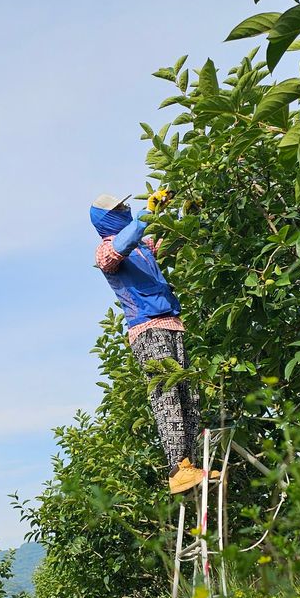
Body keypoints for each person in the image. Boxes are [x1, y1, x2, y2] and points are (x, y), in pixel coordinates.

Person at [90, 192, 212, 494]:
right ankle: (177, 466)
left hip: (173, 324)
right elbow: (122, 244)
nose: (126, 209)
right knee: (166, 394)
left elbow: (171, 242)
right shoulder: (106, 251)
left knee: (188, 397)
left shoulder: (143, 246)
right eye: (120, 208)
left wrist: (187, 214)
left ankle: (190, 465)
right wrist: (147, 214)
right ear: (107, 217)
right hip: (147, 330)